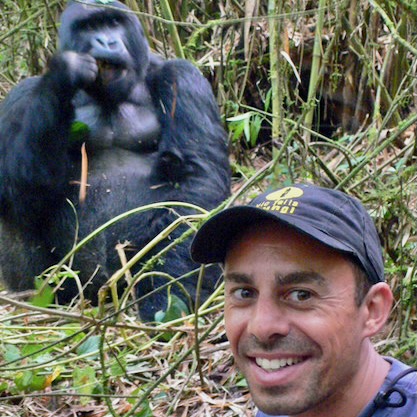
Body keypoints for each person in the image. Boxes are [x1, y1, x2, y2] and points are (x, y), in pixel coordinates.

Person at [190, 183, 417, 417]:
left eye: (301, 295)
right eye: (244, 293)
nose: (261, 327)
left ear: (372, 310)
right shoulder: (284, 401)